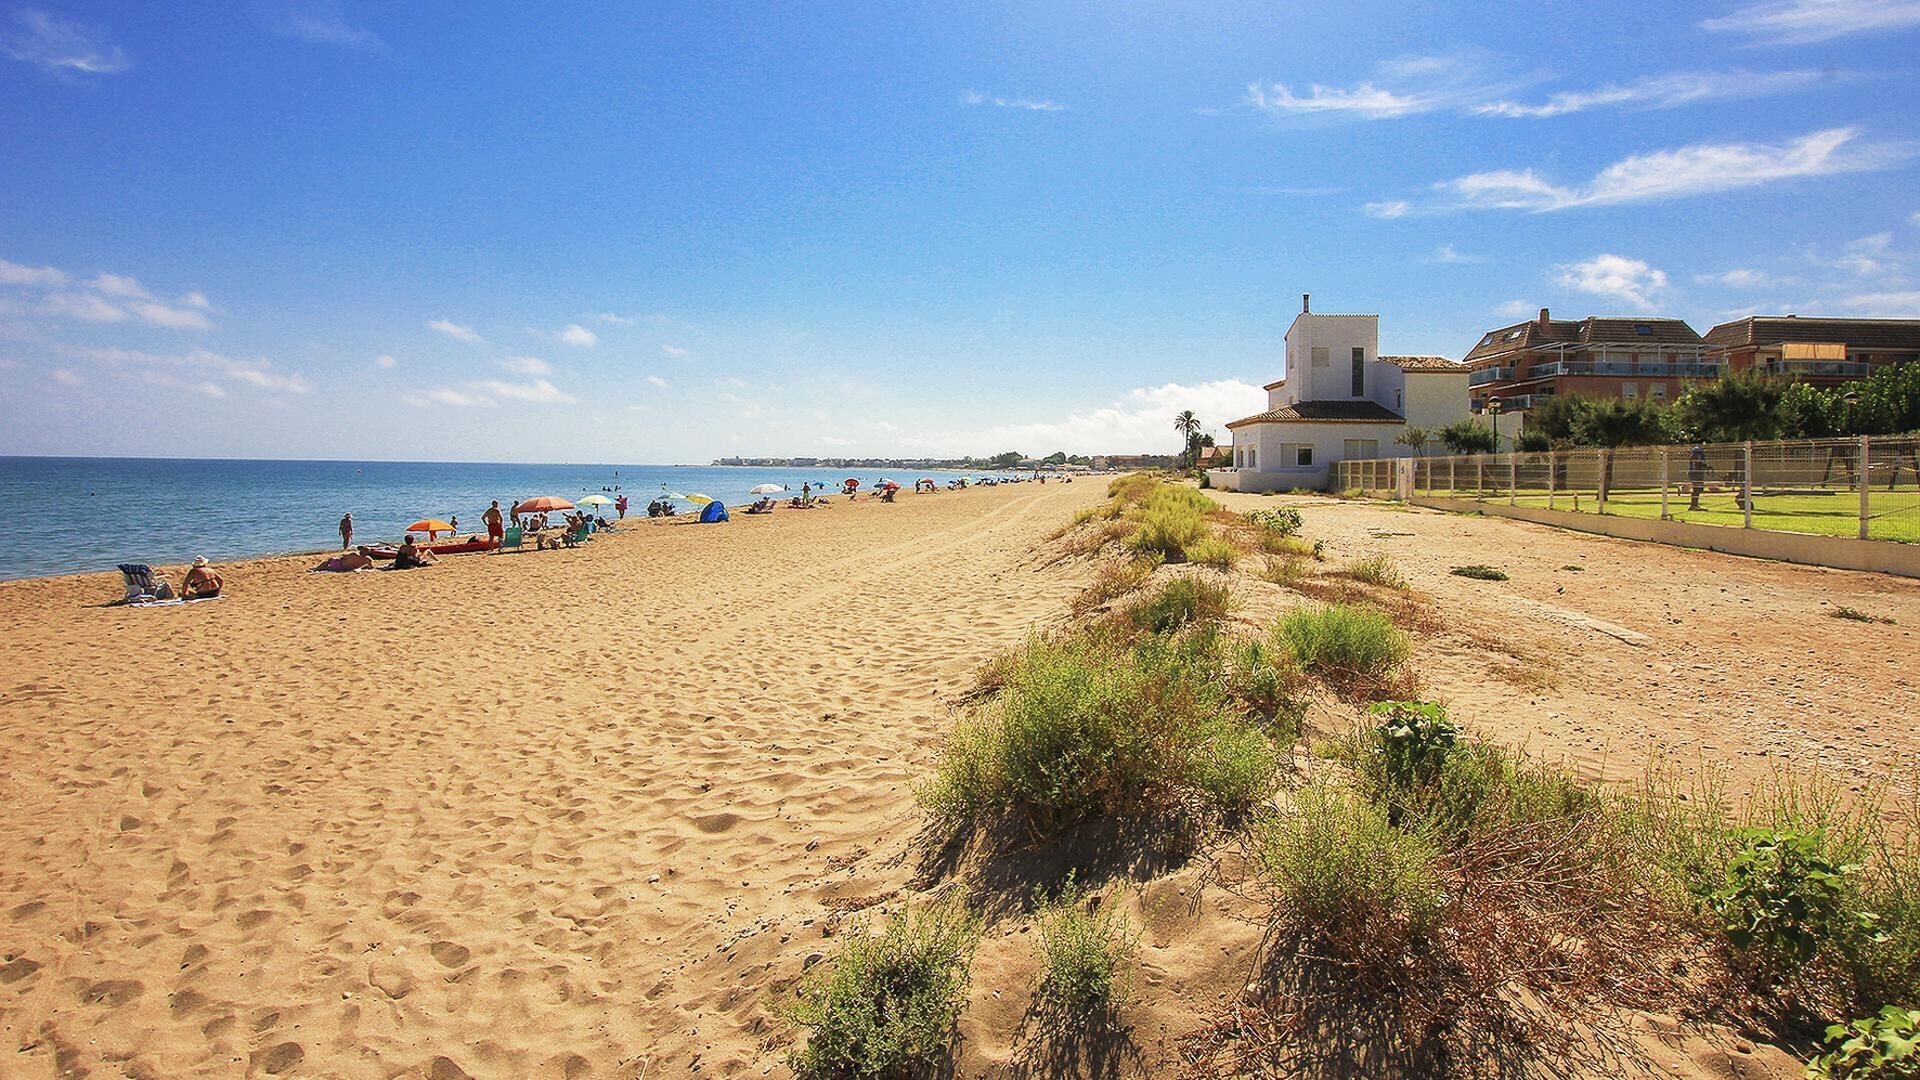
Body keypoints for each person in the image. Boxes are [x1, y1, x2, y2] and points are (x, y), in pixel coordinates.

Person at [1687, 444, 1708, 511]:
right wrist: (1704, 466)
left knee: (1698, 489)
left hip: (1697, 473)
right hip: (1695, 473)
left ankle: (1695, 505)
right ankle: (1694, 505)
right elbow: (1697, 463)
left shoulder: (1697, 451)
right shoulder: (1698, 451)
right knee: (1696, 489)